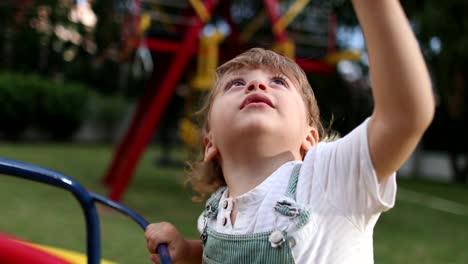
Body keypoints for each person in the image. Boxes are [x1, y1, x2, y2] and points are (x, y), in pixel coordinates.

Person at [145, 0, 435, 263]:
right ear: (210, 143)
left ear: (309, 139)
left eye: (279, 83)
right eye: (235, 84)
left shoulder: (327, 177)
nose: (256, 85)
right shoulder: (215, 215)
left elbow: (404, 117)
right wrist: (187, 252)